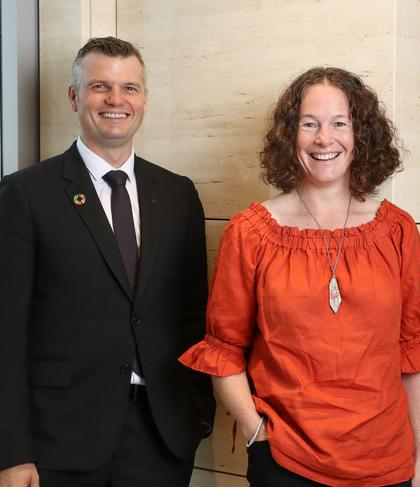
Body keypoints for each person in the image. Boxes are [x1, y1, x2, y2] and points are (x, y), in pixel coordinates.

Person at [180, 67, 420, 486]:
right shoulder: (250, 232)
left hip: (388, 463)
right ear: (291, 137)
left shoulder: (397, 230)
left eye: (340, 123)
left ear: (362, 135)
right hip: (286, 463)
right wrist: (257, 435)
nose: (325, 139)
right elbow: (224, 352)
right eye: (310, 124)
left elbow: (414, 354)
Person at [0, 37, 215, 487]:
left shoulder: (178, 194)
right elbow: (7, 331)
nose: (116, 100)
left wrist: (196, 416)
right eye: (101, 87)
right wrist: (11, 452)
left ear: (145, 100)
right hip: (58, 441)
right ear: (75, 96)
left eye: (130, 88)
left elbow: (194, 314)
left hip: (161, 438)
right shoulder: (25, 194)